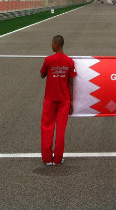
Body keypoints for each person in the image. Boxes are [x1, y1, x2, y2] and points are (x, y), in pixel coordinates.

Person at [40, 34, 76, 165]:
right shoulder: (69, 61)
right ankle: (58, 159)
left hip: (50, 99)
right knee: (61, 130)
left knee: (47, 127)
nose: (51, 45)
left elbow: (42, 74)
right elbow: (71, 83)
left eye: (52, 43)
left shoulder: (48, 60)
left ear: (56, 44)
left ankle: (47, 158)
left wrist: (50, 70)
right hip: (64, 100)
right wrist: (71, 101)